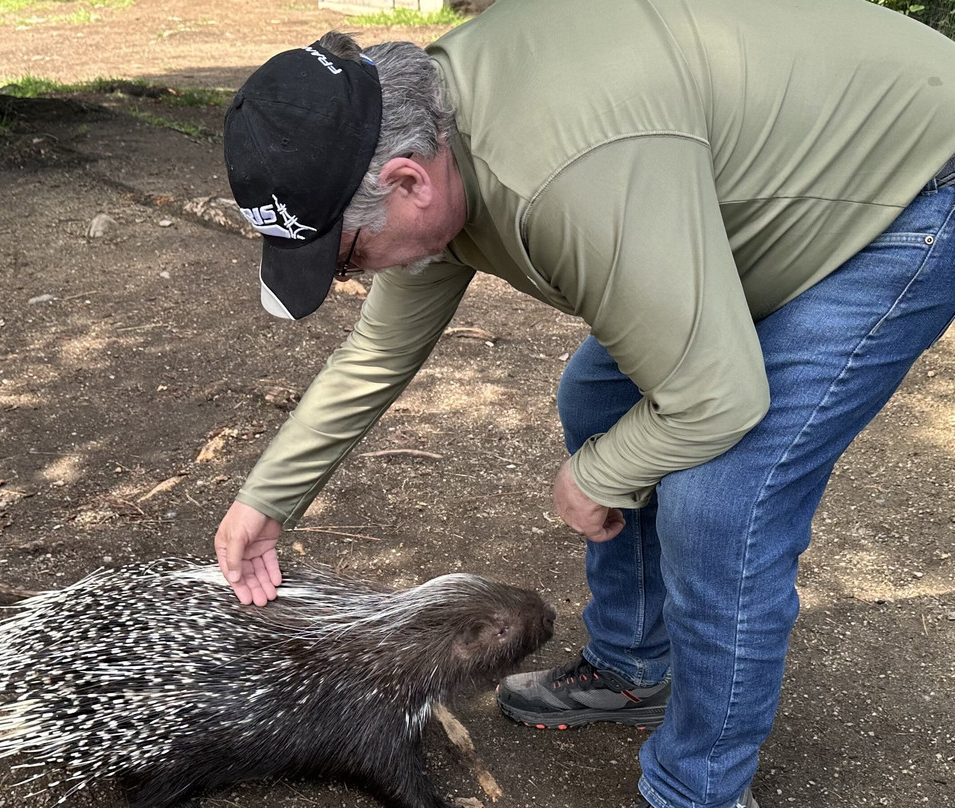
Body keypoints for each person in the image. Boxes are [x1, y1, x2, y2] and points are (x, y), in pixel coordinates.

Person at [215, 0, 955, 806]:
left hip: (906, 190)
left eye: (347, 254)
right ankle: (635, 666)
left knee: (722, 502)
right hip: (752, 182)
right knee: (597, 393)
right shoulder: (427, 131)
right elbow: (378, 351)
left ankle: (696, 789)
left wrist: (601, 472)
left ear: (408, 182)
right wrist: (269, 497)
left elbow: (718, 396)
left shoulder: (560, 178)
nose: (351, 276)